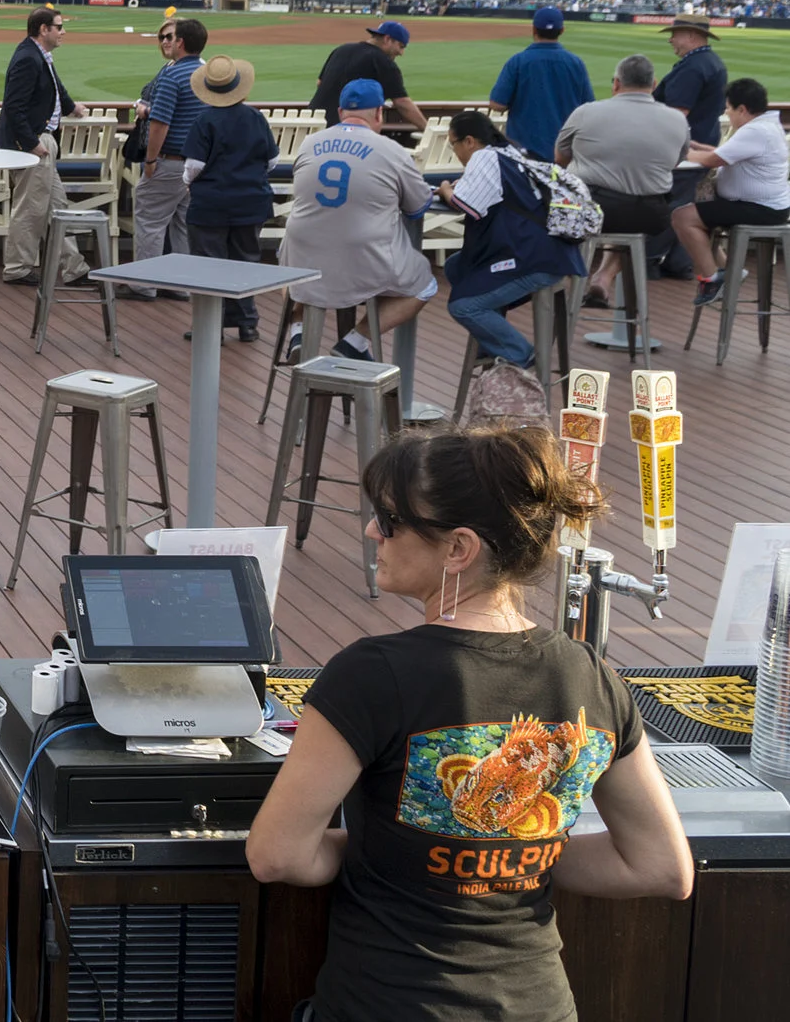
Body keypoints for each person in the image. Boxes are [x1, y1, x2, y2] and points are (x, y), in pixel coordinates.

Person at [248, 428, 692, 1022]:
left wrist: (404, 851)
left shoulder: (370, 674)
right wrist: (515, 852)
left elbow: (277, 855)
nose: (372, 530)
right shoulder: (589, 674)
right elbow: (661, 866)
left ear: (458, 549)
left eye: (390, 518)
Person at [280, 79, 437, 361]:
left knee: (289, 265)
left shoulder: (309, 143)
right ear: (379, 113)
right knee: (425, 284)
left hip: (304, 252)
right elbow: (417, 208)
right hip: (363, 261)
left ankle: (298, 331)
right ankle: (355, 341)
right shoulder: (392, 151)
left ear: (340, 112)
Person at [438, 110, 586, 382]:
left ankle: (521, 355)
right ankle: (492, 341)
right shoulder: (514, 152)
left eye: (454, 145)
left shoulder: (483, 156)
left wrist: (446, 189)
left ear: (469, 141)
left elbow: (467, 206)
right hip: (556, 252)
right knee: (456, 267)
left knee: (463, 306)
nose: (455, 152)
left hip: (534, 259)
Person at [556, 54, 688, 308]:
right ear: (654, 84)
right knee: (629, 221)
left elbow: (560, 158)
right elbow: (674, 163)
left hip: (591, 208)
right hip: (651, 213)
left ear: (616, 84)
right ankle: (603, 277)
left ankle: (559, 286)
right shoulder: (677, 119)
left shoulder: (586, 112)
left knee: (563, 211)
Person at [672, 77, 790, 306]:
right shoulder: (766, 126)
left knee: (682, 217)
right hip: (768, 205)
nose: (727, 113)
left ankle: (712, 279)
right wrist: (699, 148)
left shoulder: (755, 131)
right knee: (699, 205)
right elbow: (728, 153)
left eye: (729, 108)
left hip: (760, 208)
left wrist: (681, 153)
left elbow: (713, 160)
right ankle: (729, 270)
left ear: (742, 109)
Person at [181, 56, 273, 341]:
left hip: (211, 203)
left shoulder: (204, 119)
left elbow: (193, 167)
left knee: (209, 264)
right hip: (251, 201)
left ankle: (212, 326)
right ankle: (246, 322)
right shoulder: (256, 117)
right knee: (245, 261)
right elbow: (272, 160)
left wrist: (188, 184)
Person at [0, 7, 89, 285]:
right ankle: (17, 269)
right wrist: (31, 143)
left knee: (58, 207)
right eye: (59, 27)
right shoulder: (28, 58)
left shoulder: (38, 55)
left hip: (42, 141)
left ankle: (75, 268)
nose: (63, 32)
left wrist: (72, 107)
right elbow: (14, 106)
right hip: (34, 145)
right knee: (30, 208)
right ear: (43, 29)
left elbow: (54, 86)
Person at [128, 16, 207, 295]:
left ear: (181, 42)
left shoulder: (173, 75)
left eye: (170, 37)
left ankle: (144, 285)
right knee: (184, 225)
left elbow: (161, 124)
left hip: (170, 160)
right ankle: (181, 284)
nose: (164, 42)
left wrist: (150, 161)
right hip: (198, 164)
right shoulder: (208, 72)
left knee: (150, 221)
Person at [652, 16, 728, 275]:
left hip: (685, 150)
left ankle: (649, 260)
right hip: (701, 144)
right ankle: (680, 264)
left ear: (692, 36)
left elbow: (676, 114)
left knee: (671, 206)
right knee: (687, 205)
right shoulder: (710, 62)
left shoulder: (693, 67)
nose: (671, 39)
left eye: (675, 34)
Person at [487, 6, 592, 161]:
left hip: (524, 154)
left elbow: (497, 104)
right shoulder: (576, 63)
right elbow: (588, 107)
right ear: (562, 30)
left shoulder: (518, 61)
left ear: (534, 29)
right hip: (564, 154)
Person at [311, 20, 425, 133]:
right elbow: (402, 103)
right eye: (401, 46)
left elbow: (319, 83)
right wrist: (427, 129)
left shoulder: (341, 50)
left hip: (313, 123)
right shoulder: (384, 62)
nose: (401, 53)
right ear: (387, 39)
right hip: (347, 130)